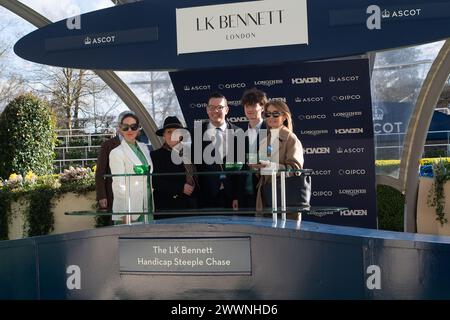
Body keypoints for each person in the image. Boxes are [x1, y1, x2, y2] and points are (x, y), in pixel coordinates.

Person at [253, 100, 304, 213]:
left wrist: (273, 166)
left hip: (285, 196)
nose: (271, 117)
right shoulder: (264, 140)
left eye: (276, 114)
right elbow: (260, 169)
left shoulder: (291, 139)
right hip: (264, 196)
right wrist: (256, 166)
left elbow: (296, 169)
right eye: (268, 114)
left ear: (285, 117)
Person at [193, 92, 242, 210]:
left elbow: (241, 168)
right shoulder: (196, 132)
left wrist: (237, 196)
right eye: (212, 107)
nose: (215, 111)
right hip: (206, 196)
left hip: (231, 197)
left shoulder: (238, 132)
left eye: (219, 107)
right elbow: (194, 165)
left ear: (226, 109)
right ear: (207, 109)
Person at [109, 111, 153, 223]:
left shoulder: (144, 148)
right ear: (120, 129)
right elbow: (119, 185)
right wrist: (124, 213)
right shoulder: (116, 153)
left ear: (138, 129)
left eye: (133, 127)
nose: (129, 130)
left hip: (148, 206)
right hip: (130, 212)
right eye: (125, 127)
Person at [151, 116, 198, 216]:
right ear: (164, 135)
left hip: (192, 207)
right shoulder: (155, 156)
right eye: (169, 132)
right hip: (168, 209)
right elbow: (154, 181)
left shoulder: (191, 153)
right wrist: (180, 188)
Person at [239, 88, 268, 209]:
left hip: (266, 192)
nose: (249, 109)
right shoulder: (240, 135)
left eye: (252, 105)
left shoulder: (271, 131)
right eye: (246, 105)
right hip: (245, 195)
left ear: (262, 107)